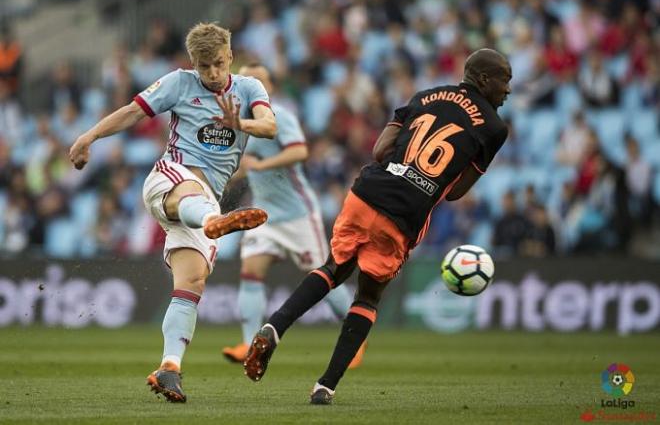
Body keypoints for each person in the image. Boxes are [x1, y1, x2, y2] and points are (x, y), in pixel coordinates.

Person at [243, 48, 512, 404]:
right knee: (368, 296)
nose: (508, 89)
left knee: (333, 268)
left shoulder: (425, 96)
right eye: (504, 80)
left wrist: (400, 166)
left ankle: (274, 326)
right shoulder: (494, 128)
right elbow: (456, 192)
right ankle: (325, 387)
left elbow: (380, 149)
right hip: (404, 213)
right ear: (483, 79)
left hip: (367, 192)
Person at [69, 23, 277, 403]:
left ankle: (169, 367)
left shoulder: (248, 89)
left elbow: (269, 125)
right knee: (192, 197)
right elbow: (134, 112)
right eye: (203, 66)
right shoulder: (178, 83)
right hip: (171, 179)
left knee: (192, 283)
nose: (211, 74)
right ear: (192, 63)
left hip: (205, 203)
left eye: (217, 64)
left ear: (230, 57)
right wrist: (89, 137)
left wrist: (239, 123)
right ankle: (213, 222)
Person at [220, 64, 361, 367]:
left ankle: (355, 339)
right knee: (251, 270)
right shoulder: (241, 124)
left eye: (259, 81)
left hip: (298, 214)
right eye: (246, 80)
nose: (252, 86)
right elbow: (244, 163)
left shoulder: (279, 117)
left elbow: (299, 152)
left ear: (268, 87)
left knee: (326, 277)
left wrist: (258, 166)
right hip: (266, 215)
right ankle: (248, 343)